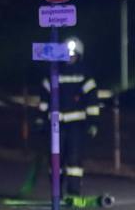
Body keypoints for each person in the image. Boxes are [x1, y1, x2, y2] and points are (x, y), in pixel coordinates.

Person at [32, 55, 105, 197]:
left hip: (76, 126)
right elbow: (44, 99)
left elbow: (92, 100)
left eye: (73, 55)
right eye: (67, 55)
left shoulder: (84, 74)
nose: (70, 58)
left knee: (74, 160)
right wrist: (40, 119)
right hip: (55, 125)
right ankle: (56, 193)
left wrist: (93, 123)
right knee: (55, 160)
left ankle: (74, 192)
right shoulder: (53, 74)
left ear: (79, 56)